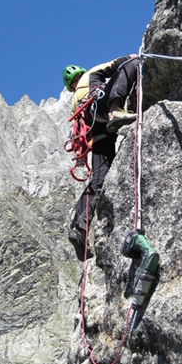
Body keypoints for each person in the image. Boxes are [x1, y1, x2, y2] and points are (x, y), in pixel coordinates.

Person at [63, 55, 138, 261]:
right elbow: (117, 63)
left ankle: (80, 228)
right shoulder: (91, 74)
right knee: (129, 66)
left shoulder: (74, 102)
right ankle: (116, 111)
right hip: (102, 107)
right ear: (80, 74)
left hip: (95, 130)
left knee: (99, 178)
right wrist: (134, 56)